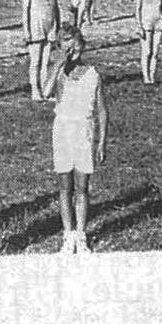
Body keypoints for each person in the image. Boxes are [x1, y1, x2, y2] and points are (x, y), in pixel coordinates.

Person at [42, 24, 109, 254]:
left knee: (82, 185)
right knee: (64, 186)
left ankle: (81, 234)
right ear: (60, 48)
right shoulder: (58, 71)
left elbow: (101, 110)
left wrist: (102, 141)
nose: (72, 48)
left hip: (85, 131)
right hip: (63, 130)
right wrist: (58, 66)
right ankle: (67, 234)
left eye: (75, 42)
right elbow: (45, 92)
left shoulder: (92, 74)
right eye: (65, 44)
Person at [22, 0, 61, 101]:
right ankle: (35, 90)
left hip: (49, 26)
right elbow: (25, 11)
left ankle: (46, 91)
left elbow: (56, 9)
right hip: (35, 26)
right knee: (35, 61)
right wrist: (26, 30)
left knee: (46, 61)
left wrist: (57, 27)